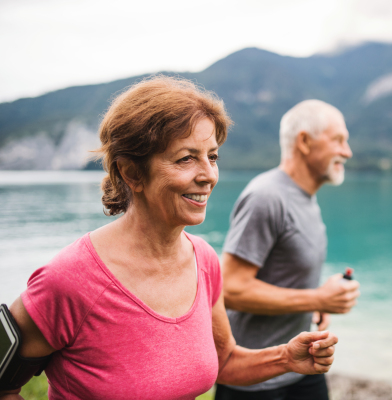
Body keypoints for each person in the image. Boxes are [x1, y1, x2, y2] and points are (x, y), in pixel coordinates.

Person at [0, 77, 338, 400]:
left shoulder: (204, 262)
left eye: (213, 156)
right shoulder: (70, 279)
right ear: (132, 172)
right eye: (186, 158)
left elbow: (225, 362)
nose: (208, 175)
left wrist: (285, 359)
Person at [215, 100, 360, 400]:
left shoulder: (306, 197)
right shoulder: (266, 196)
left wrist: (316, 304)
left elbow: (282, 274)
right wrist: (317, 297)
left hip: (301, 369)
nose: (347, 152)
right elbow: (230, 288)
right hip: (254, 382)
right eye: (338, 140)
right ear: (305, 142)